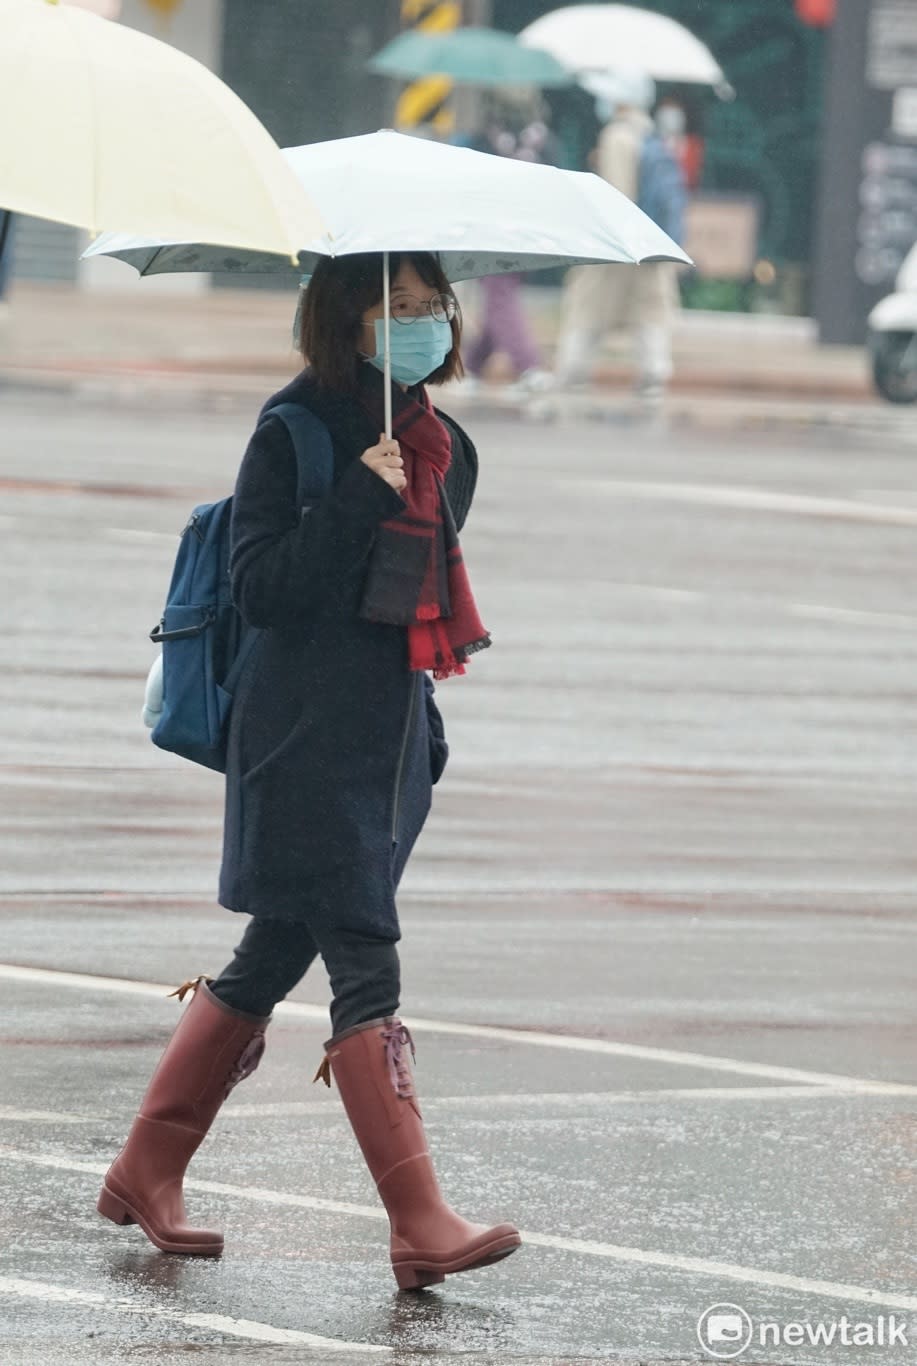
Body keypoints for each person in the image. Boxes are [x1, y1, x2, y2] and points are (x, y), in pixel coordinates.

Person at [96, 250, 522, 1292]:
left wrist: (397, 485)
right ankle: (416, 1219)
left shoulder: (442, 443)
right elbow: (267, 590)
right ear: (345, 320)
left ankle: (146, 1167)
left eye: (434, 307)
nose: (423, 324)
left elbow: (411, 598)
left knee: (274, 947)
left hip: (382, 737)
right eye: (399, 308)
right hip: (298, 734)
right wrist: (353, 500)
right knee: (363, 954)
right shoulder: (290, 430)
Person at [553, 73, 687, 404]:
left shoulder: (616, 136)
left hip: (617, 240)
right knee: (649, 311)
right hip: (649, 241)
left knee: (588, 306)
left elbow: (619, 192)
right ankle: (654, 374)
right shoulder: (650, 134)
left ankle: (572, 371)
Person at [462, 99, 556, 394]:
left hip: (525, 234)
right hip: (490, 233)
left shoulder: (545, 144)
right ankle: (477, 369)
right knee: (498, 297)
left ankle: (527, 367)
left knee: (500, 298)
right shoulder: (482, 142)